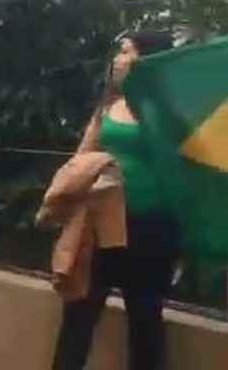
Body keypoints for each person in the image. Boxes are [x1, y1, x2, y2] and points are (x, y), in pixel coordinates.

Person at [50, 31, 179, 370]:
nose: (117, 59)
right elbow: (82, 155)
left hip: (148, 225)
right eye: (119, 52)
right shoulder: (109, 104)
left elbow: (180, 167)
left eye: (126, 52)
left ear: (148, 60)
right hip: (99, 220)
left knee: (145, 316)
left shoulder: (167, 109)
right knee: (79, 311)